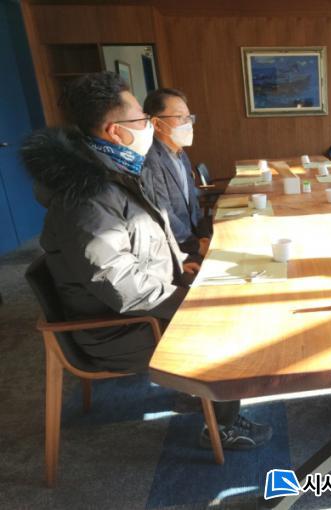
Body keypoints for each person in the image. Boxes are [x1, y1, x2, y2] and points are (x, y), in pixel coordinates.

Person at [21, 72, 271, 450]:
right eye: (140, 119)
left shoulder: (114, 173)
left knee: (233, 291)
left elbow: (145, 238)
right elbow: (121, 285)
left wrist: (181, 264)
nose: (149, 127)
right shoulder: (87, 197)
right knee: (228, 326)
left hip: (135, 310)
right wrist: (194, 301)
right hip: (116, 329)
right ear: (115, 131)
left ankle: (202, 392)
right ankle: (222, 426)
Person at [142, 88, 211, 261]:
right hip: (178, 252)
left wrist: (204, 235)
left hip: (195, 239)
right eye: (180, 117)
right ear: (157, 124)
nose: (188, 124)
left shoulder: (180, 152)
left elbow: (193, 204)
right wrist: (197, 246)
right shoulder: (150, 160)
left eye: (189, 117)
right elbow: (165, 214)